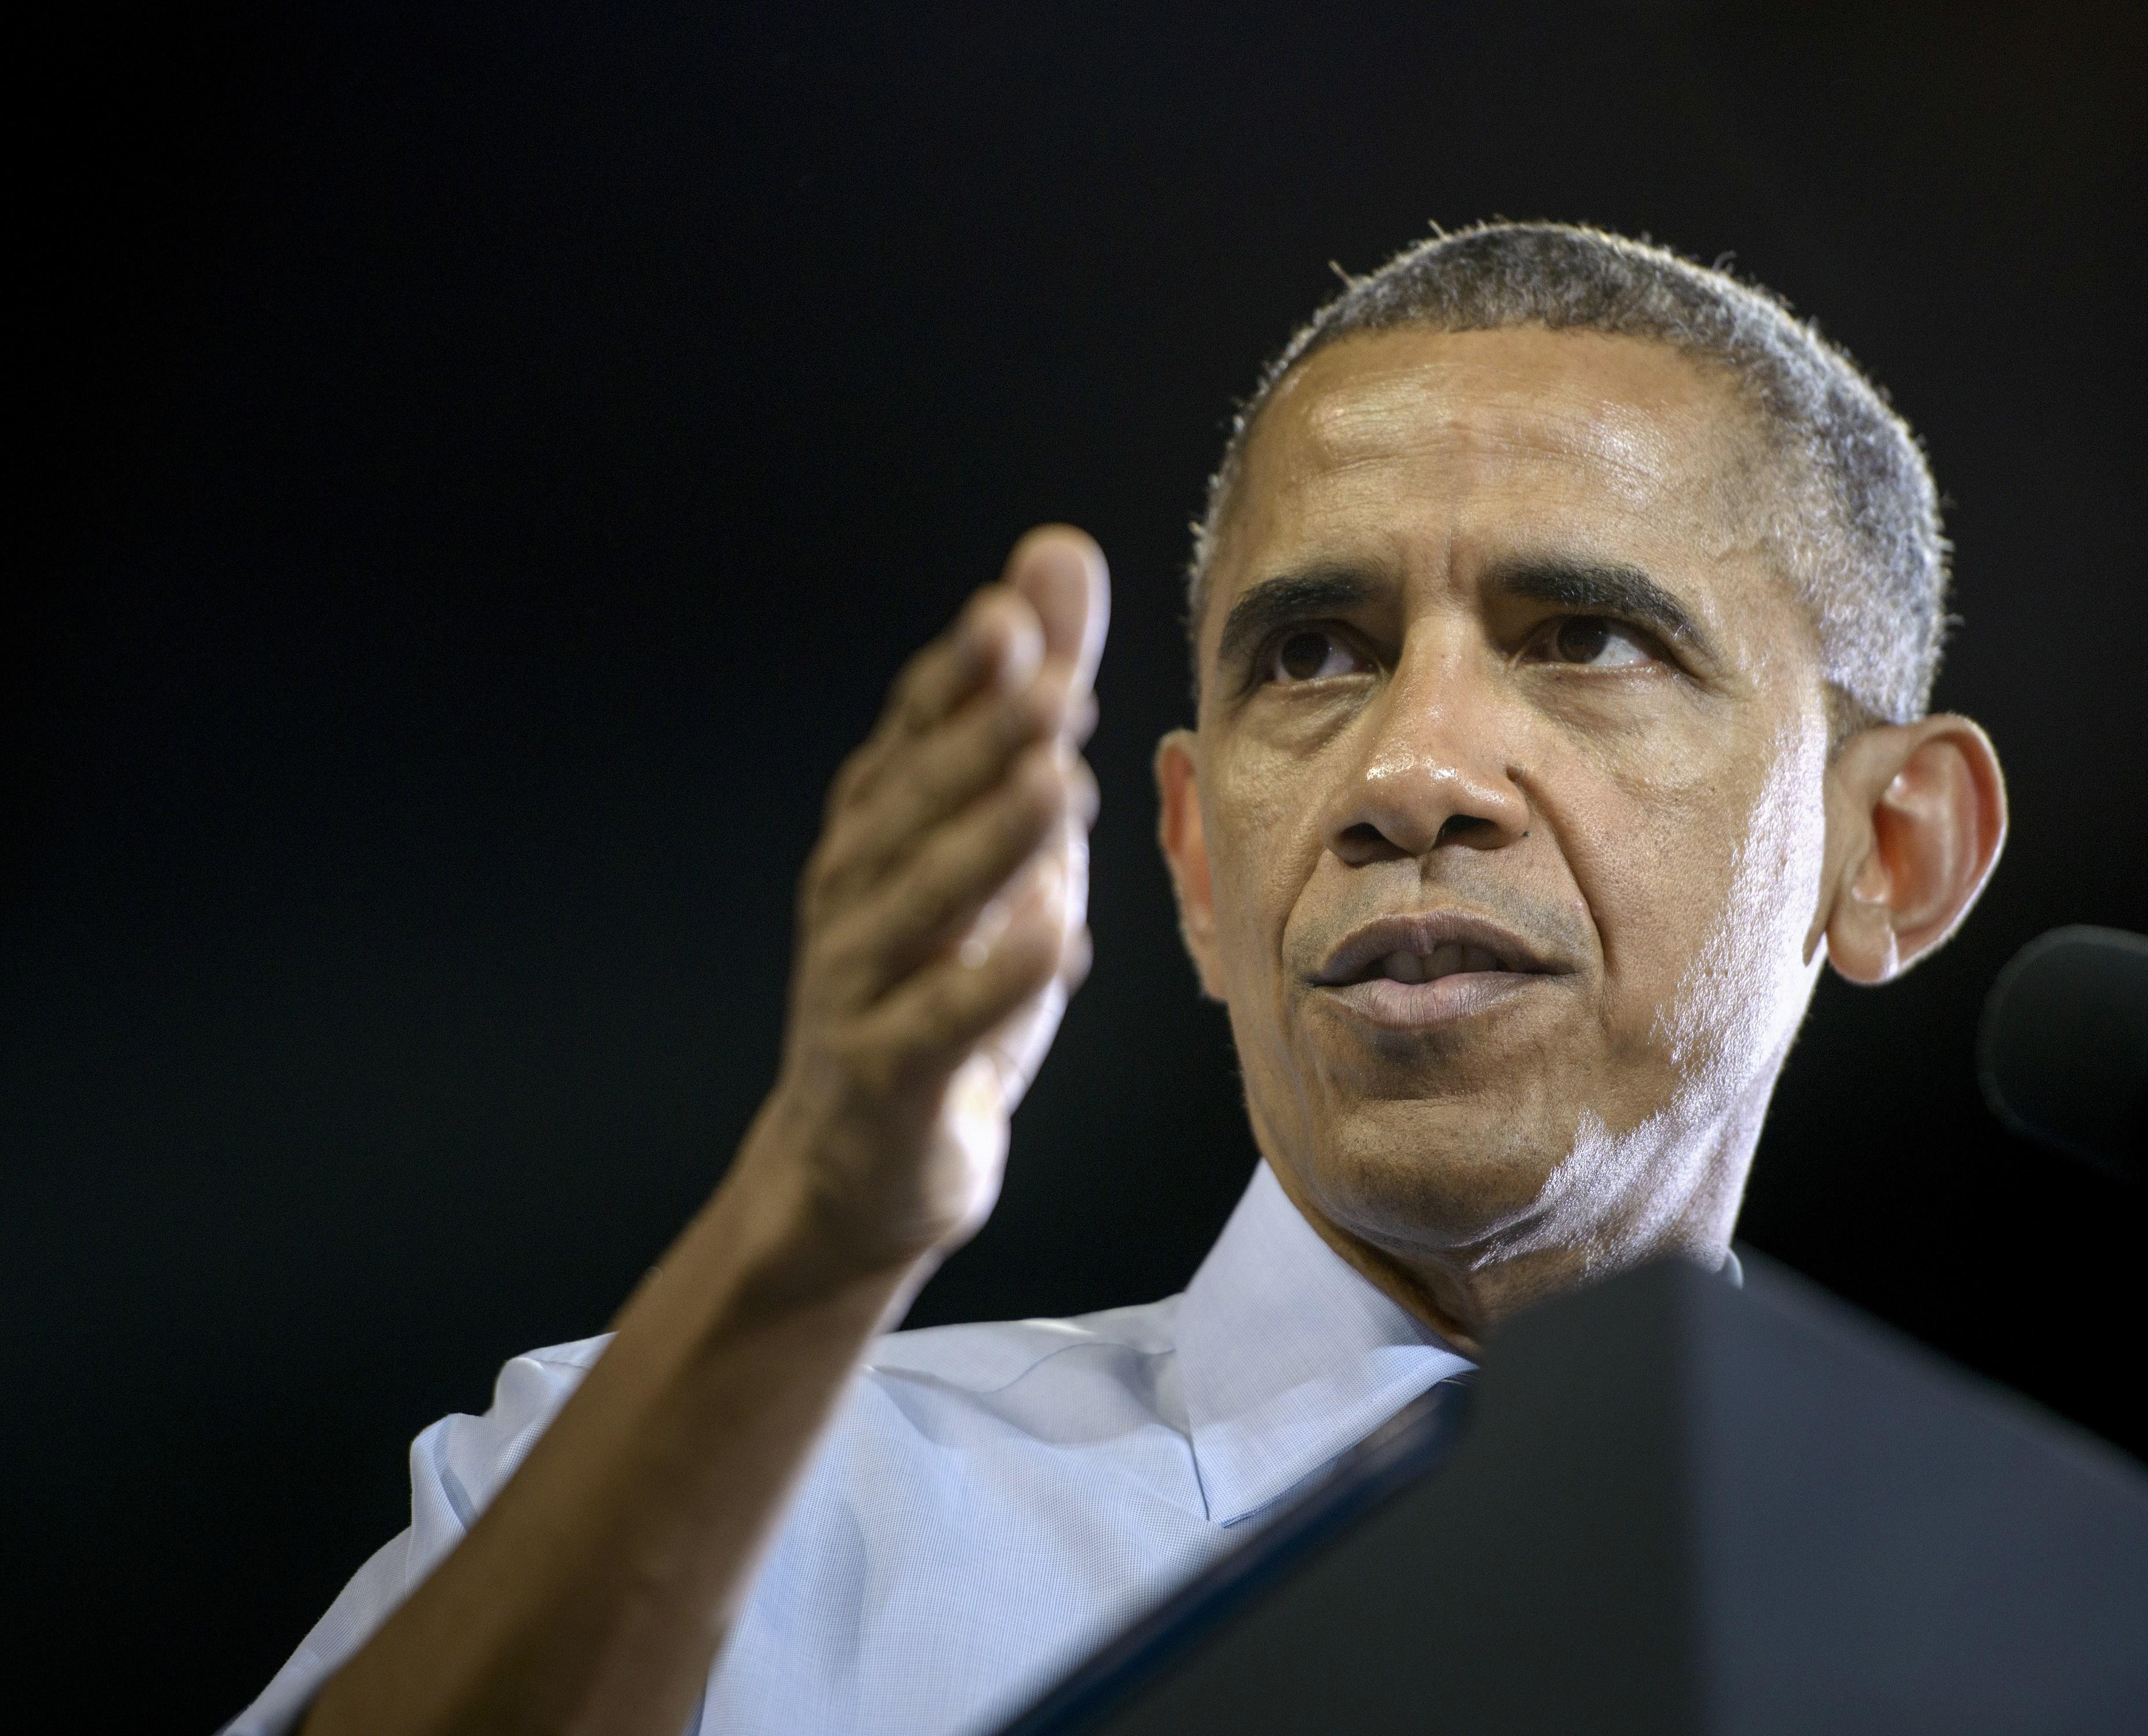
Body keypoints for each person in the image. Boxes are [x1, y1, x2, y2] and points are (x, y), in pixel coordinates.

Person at [229, 221, 2007, 1736]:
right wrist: (811, 1227)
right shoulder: (697, 1497)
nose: (1410, 770)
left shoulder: (2023, 1649)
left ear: (1891, 849)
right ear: (1191, 861)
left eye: (1585, 640)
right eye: (1313, 653)